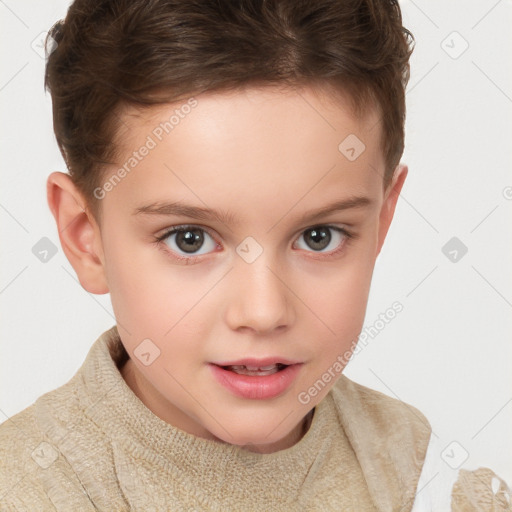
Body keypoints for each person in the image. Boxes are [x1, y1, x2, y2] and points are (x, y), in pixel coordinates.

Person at [0, 0, 510, 510]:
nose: (263, 312)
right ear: (85, 235)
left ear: (381, 220)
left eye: (319, 236)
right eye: (190, 239)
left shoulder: (436, 490)